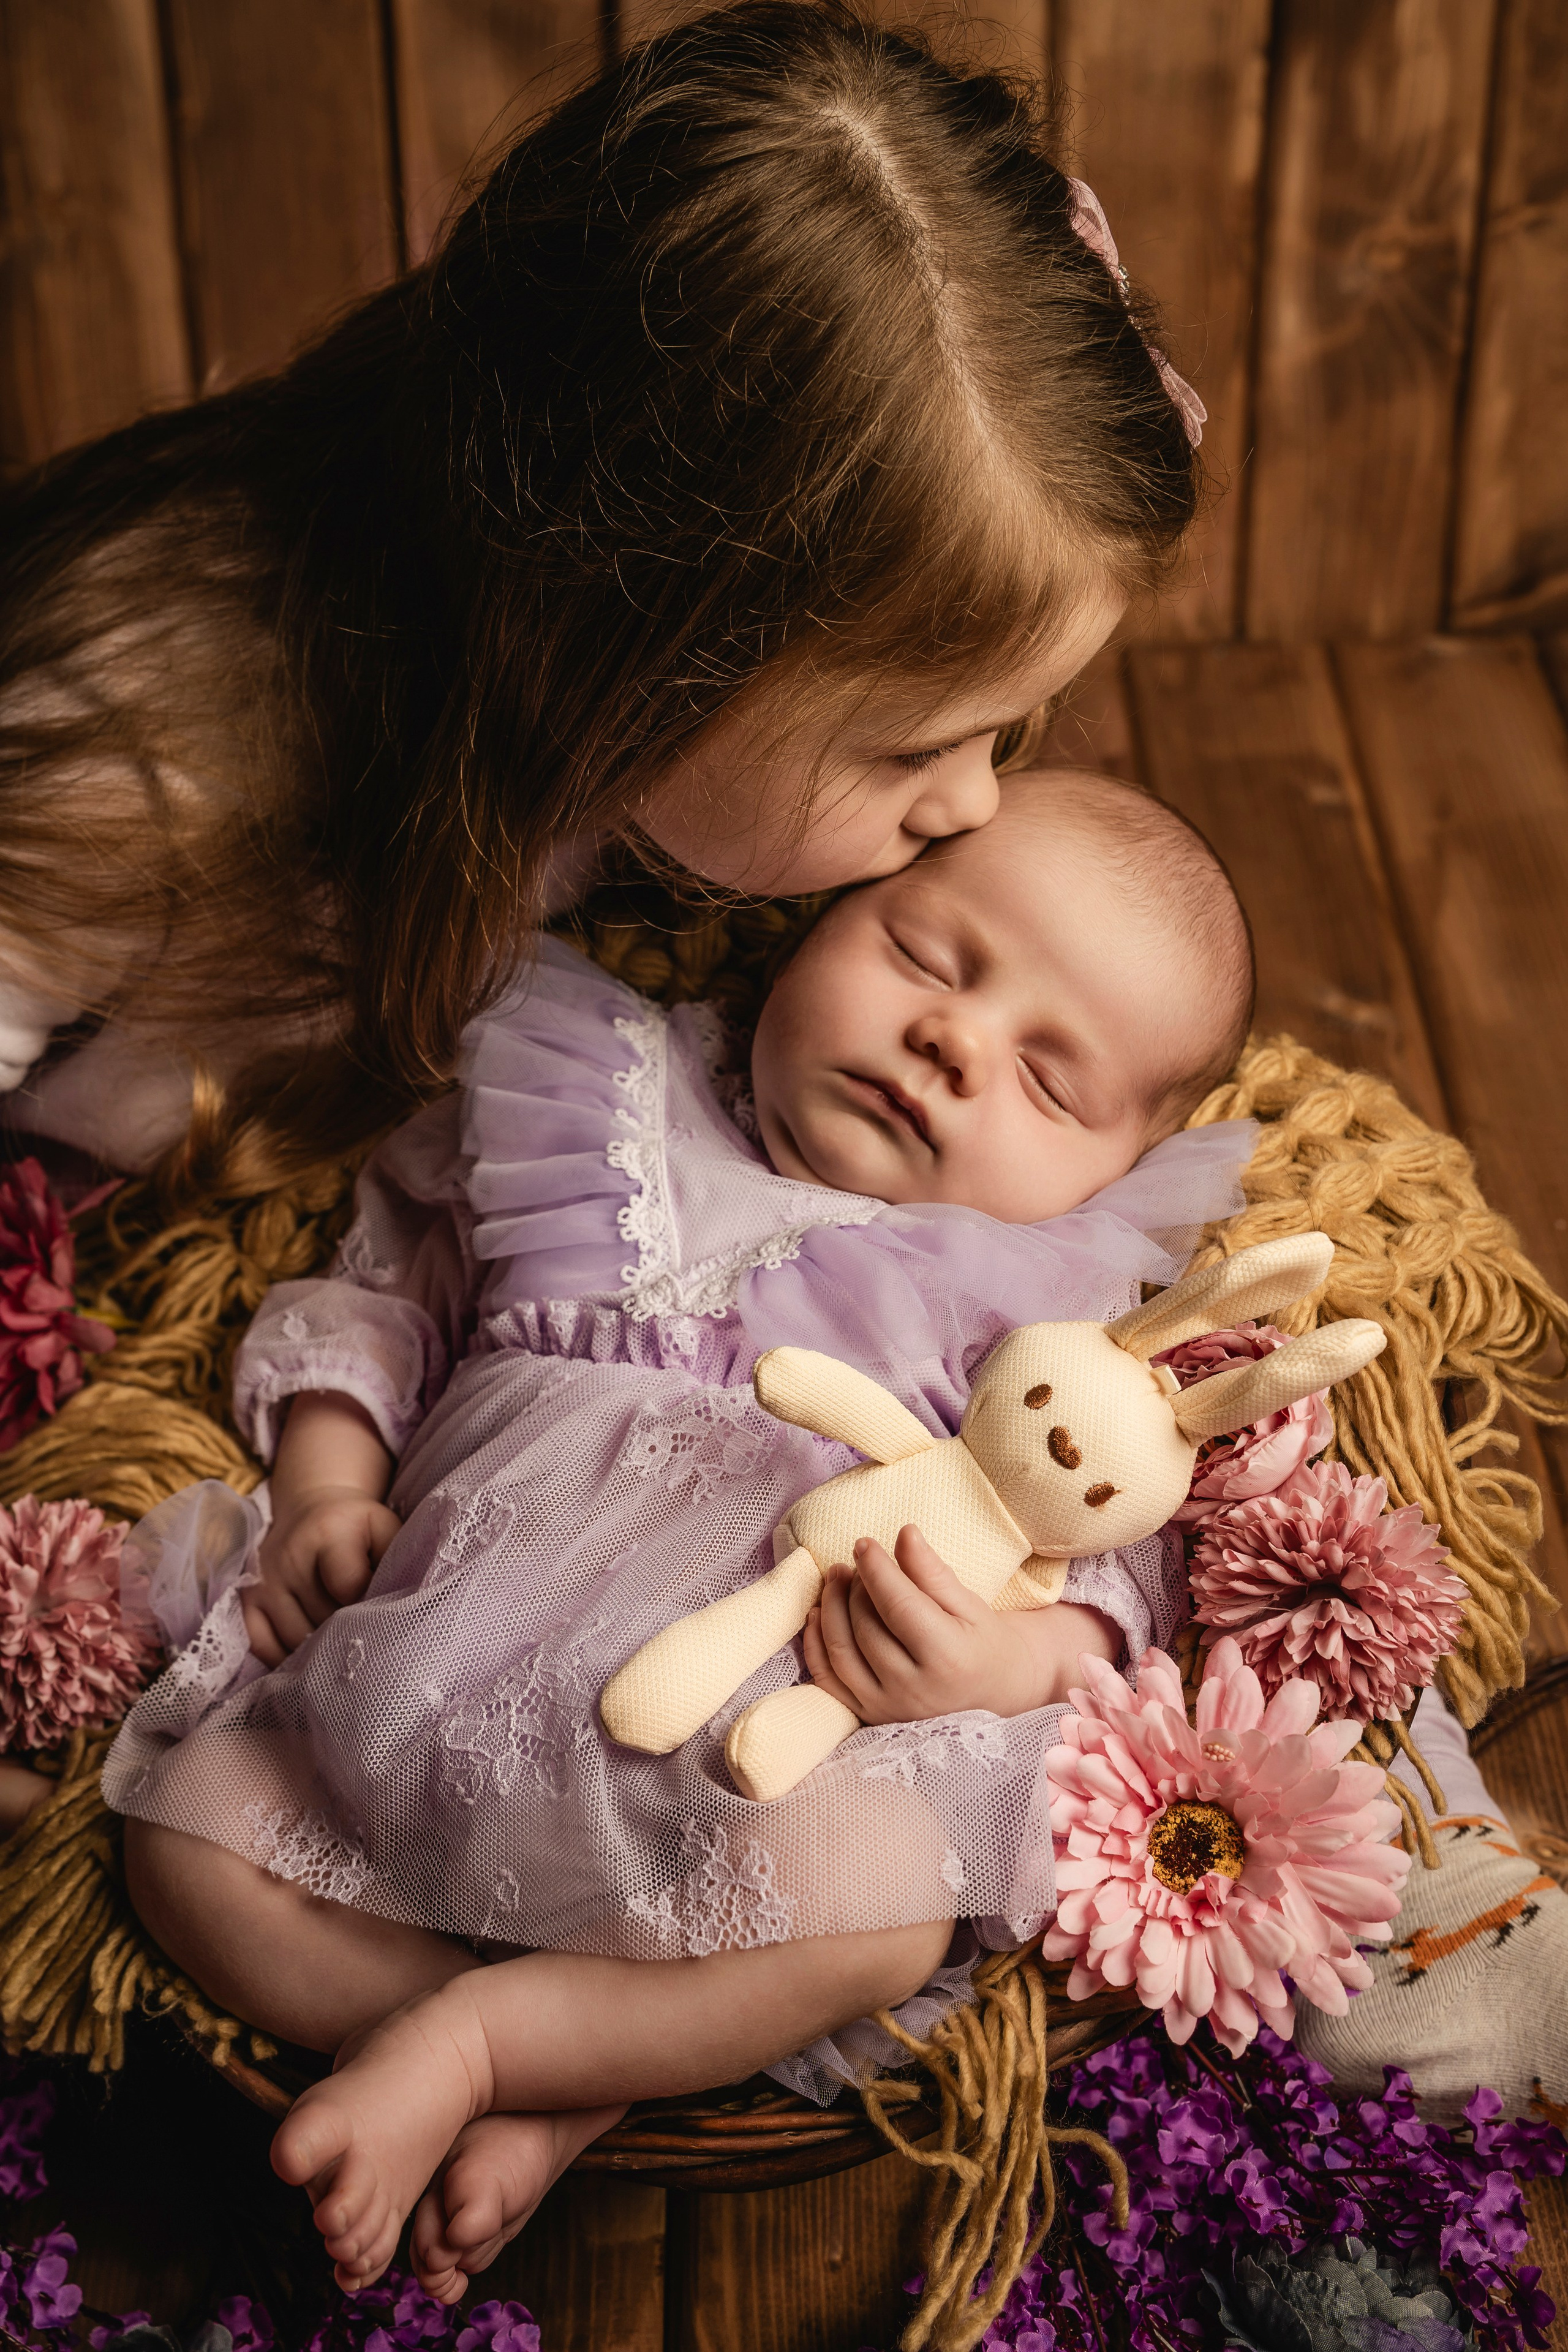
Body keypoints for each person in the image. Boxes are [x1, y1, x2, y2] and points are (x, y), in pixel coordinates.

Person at [99, 770, 1257, 2299]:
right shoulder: (584, 1096)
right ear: (820, 917)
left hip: (742, 1778)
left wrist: (1002, 1656)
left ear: (1111, 1169)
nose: (952, 1045)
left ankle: (476, 2048)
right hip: (430, 1681)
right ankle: (552, 2065)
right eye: (925, 955)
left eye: (1048, 1083)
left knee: (884, 1920)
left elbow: (1115, 1557)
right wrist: (327, 1486)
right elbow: (381, 1290)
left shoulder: (1044, 1307)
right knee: (183, 1831)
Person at [0, 0, 1201, 1185]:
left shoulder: (602, 716)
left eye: (995, 730)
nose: (972, 805)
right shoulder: (140, 764)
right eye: (906, 751)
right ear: (628, 638)